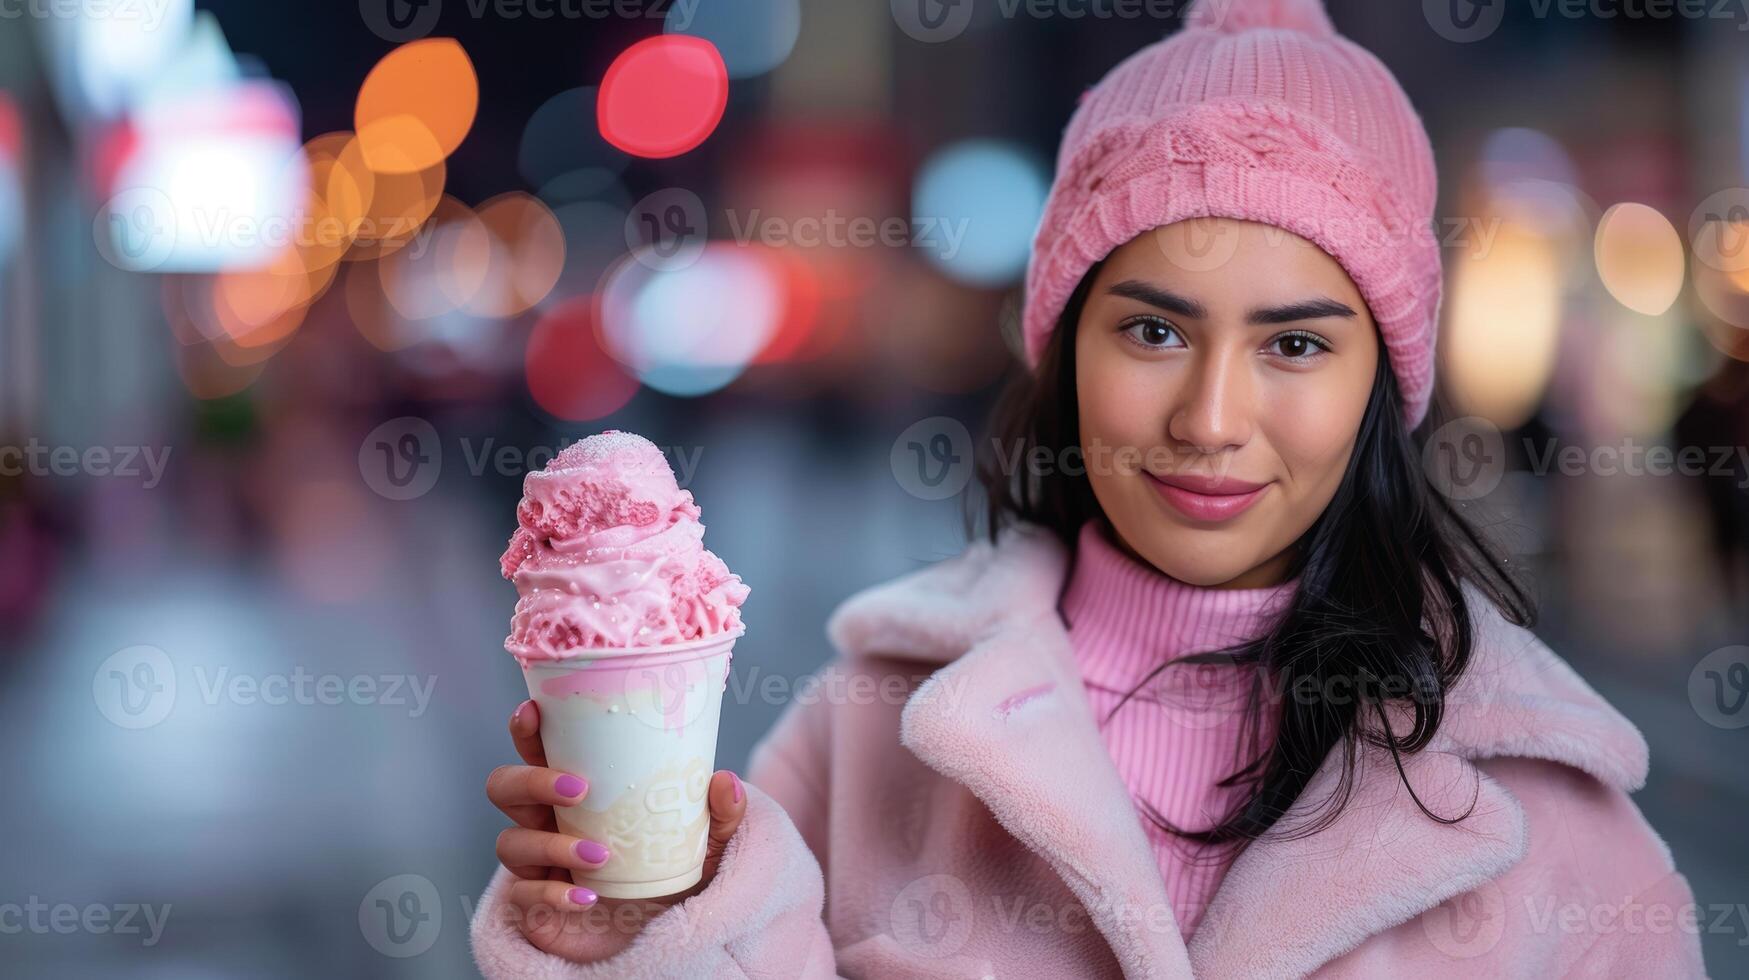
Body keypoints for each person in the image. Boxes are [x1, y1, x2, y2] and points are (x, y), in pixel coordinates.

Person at [471, 0, 1707, 974]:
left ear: (1383, 381)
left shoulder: (1566, 836)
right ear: (1065, 348)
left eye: (1295, 344)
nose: (1211, 420)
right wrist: (648, 936)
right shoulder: (870, 734)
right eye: (1155, 334)